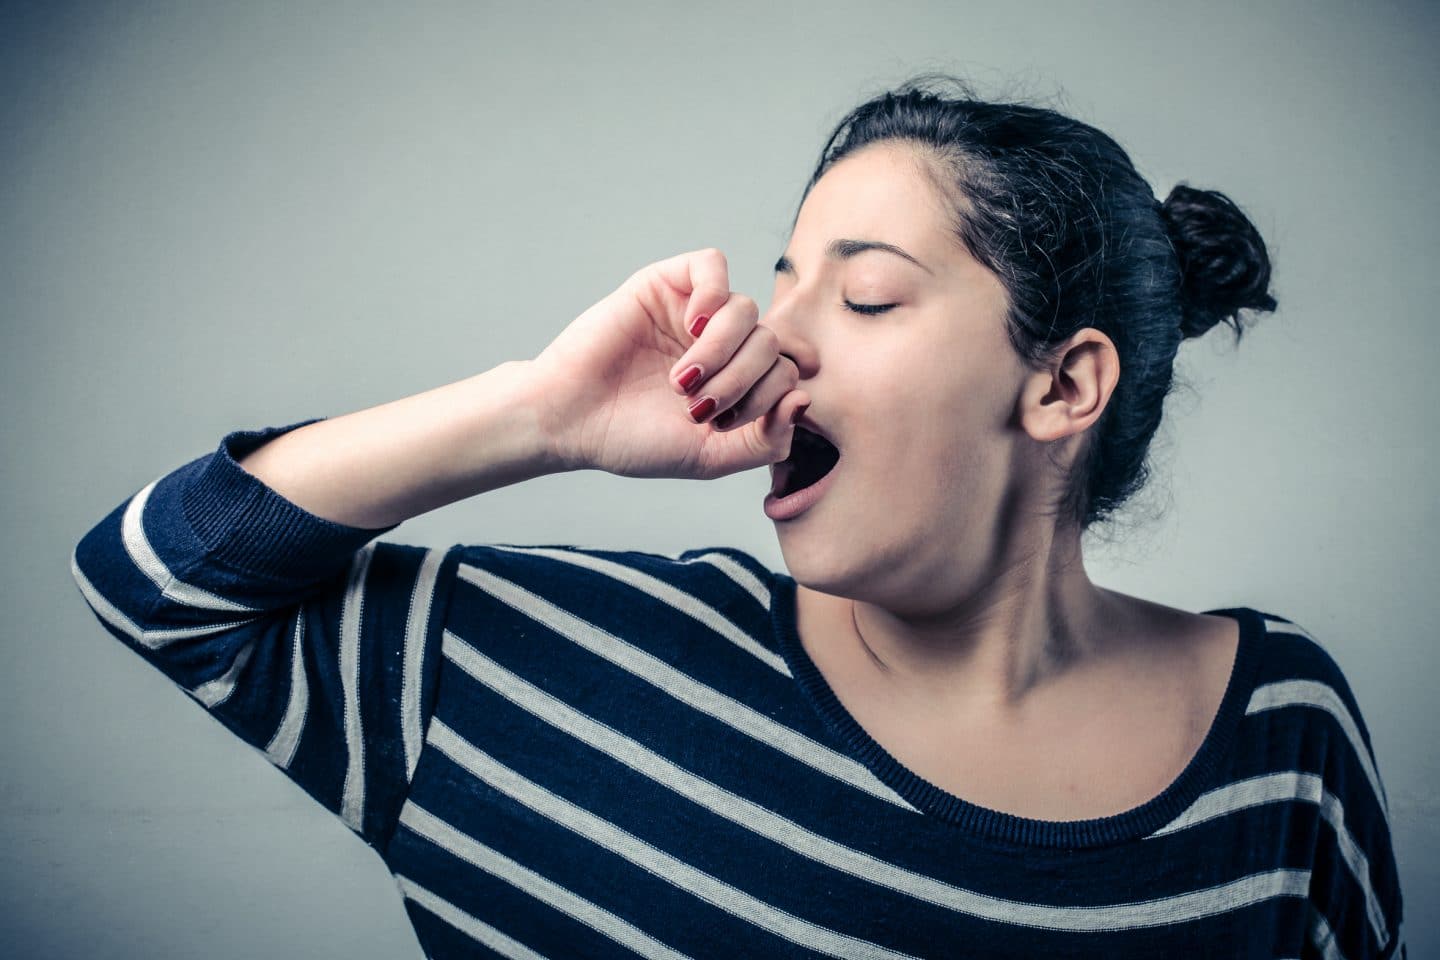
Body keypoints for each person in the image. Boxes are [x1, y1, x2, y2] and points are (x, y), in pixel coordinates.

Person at [70, 75, 1405, 959]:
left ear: (1061, 385)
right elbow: (159, 578)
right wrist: (540, 412)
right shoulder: (556, 675)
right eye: (783, 280)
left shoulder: (1281, 742)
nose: (773, 334)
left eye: (865, 296)